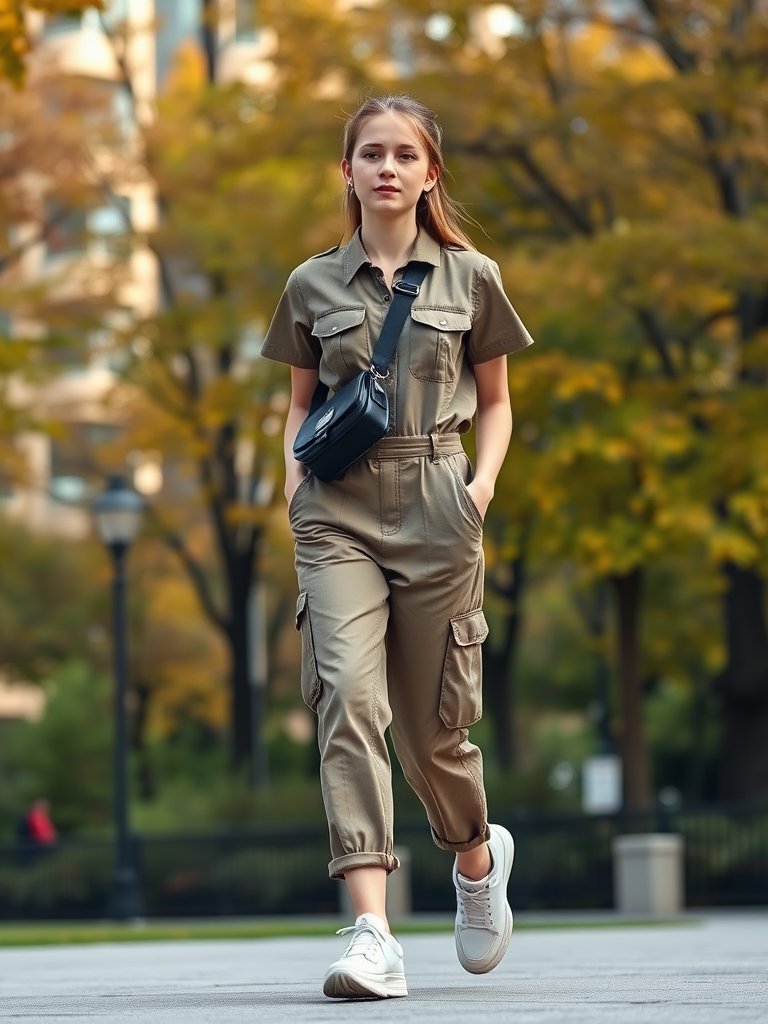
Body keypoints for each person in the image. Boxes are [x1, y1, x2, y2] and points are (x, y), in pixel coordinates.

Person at [261, 93, 533, 1000]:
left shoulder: (471, 276)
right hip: (337, 508)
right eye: (369, 154)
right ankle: (372, 931)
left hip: (437, 499)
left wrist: (480, 488)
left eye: (403, 155)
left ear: (429, 173)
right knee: (345, 693)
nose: (386, 168)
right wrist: (296, 497)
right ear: (347, 172)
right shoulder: (312, 283)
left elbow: (495, 401)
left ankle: (472, 858)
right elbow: (300, 405)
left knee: (433, 733)